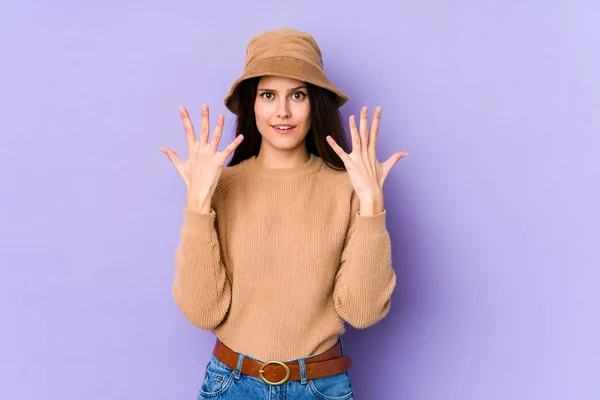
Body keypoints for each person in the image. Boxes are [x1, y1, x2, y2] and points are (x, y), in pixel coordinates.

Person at [160, 27, 408, 400]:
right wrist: (198, 205)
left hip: (321, 386)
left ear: (315, 104)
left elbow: (362, 311)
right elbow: (202, 312)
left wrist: (372, 205)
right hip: (232, 385)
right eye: (268, 95)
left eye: (297, 94)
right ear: (252, 104)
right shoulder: (221, 186)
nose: (282, 110)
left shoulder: (346, 189)